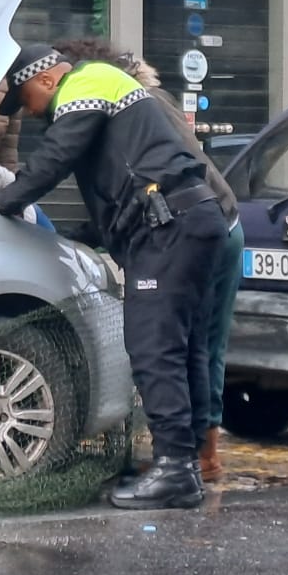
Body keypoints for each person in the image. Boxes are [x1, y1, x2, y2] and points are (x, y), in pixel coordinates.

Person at [0, 42, 227, 510]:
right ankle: (186, 465)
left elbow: (56, 158)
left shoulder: (87, 81)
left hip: (168, 228)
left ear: (47, 79)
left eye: (27, 98)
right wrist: (77, 235)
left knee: (154, 346)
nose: (31, 113)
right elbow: (119, 186)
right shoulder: (110, 94)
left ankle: (175, 468)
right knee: (182, 347)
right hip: (188, 220)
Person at [73, 45, 244, 485]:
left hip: (204, 226)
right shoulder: (150, 103)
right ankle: (195, 455)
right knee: (196, 345)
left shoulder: (139, 106)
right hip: (216, 222)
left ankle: (199, 456)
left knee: (192, 345)